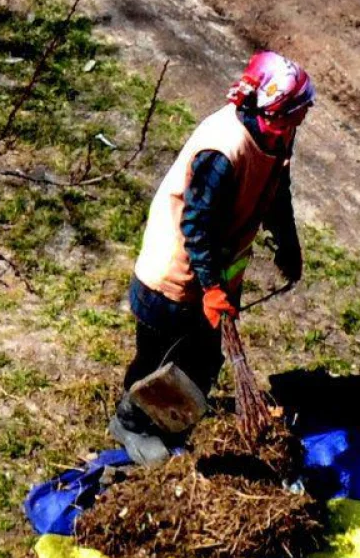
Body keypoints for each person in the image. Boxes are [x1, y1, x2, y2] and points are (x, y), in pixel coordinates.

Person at [110, 51, 315, 465]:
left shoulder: (276, 134)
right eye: (296, 111)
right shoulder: (221, 152)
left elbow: (277, 190)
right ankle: (131, 424)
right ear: (272, 110)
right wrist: (211, 289)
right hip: (174, 278)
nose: (301, 119)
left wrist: (288, 246)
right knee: (159, 360)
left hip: (215, 277)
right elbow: (197, 226)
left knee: (202, 359)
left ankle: (168, 418)